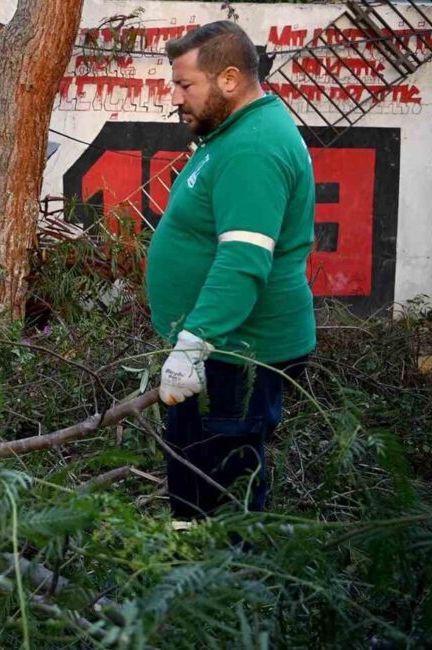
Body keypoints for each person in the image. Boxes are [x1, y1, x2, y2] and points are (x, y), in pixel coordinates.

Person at [146, 21, 315, 519]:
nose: (175, 97)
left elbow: (243, 262)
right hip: (220, 349)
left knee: (222, 490)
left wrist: (193, 344)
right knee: (195, 470)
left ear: (229, 80)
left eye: (185, 85)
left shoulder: (253, 148)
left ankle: (224, 586)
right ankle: (192, 571)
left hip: (236, 353)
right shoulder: (235, 131)